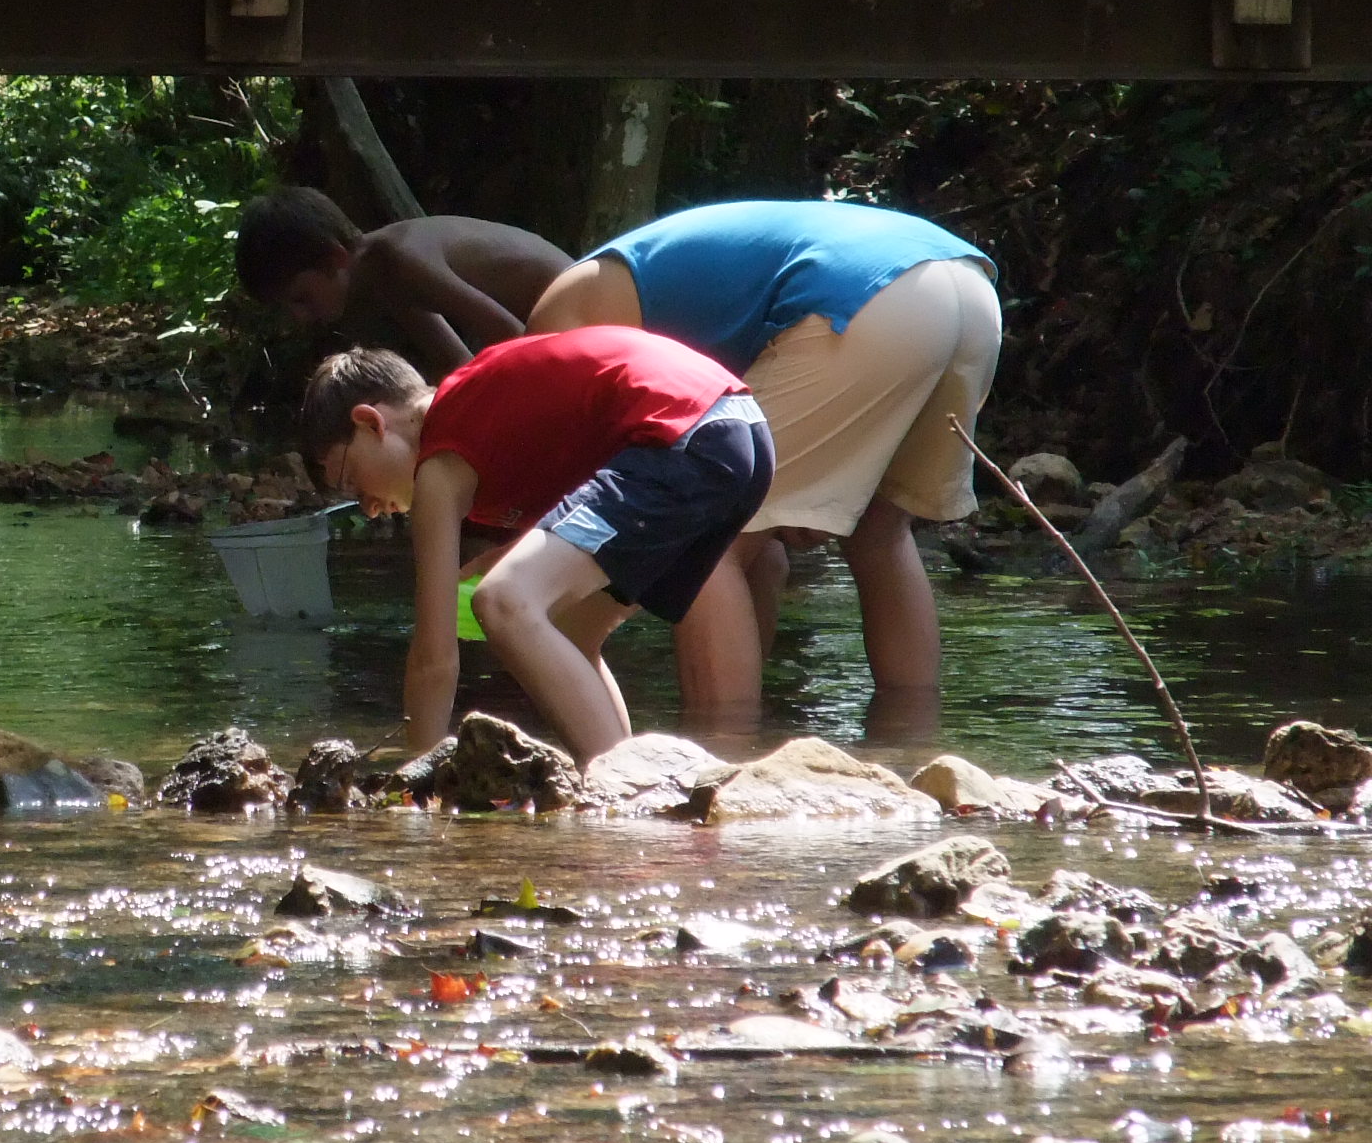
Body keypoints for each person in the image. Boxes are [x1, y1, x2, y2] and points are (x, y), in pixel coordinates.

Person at [524, 198, 999, 706]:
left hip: (858, 298)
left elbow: (595, 471)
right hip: (966, 289)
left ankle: (726, 761)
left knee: (708, 541)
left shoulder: (551, 326)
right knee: (879, 532)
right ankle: (911, 748)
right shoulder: (641, 283)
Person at [304, 336, 773, 760]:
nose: (365, 508)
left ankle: (622, 788)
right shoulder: (482, 425)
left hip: (686, 434)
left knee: (504, 600)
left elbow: (434, 658)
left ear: (370, 423)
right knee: (569, 629)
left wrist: (418, 774)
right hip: (739, 430)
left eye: (351, 481)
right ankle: (622, 772)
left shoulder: (441, 456)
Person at [236, 187, 574, 376]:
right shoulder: (382, 276)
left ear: (334, 260)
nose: (299, 317)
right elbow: (457, 365)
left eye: (302, 298)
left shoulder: (403, 258)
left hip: (590, 312)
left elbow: (518, 342)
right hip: (560, 331)